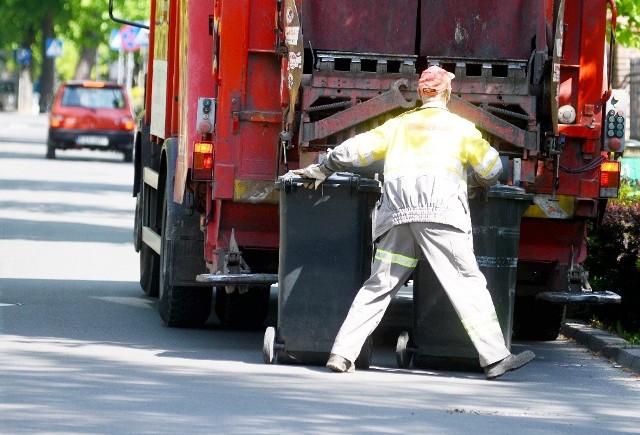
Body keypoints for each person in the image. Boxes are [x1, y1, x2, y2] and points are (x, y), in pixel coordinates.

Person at [292, 65, 535, 380]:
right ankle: (495, 358)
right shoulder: (461, 128)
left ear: (421, 93)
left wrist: (322, 168)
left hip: (398, 216)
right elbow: (492, 169)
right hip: (442, 216)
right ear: (447, 93)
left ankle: (341, 353)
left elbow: (355, 151)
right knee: (467, 284)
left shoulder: (398, 126)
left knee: (379, 286)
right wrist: (474, 180)